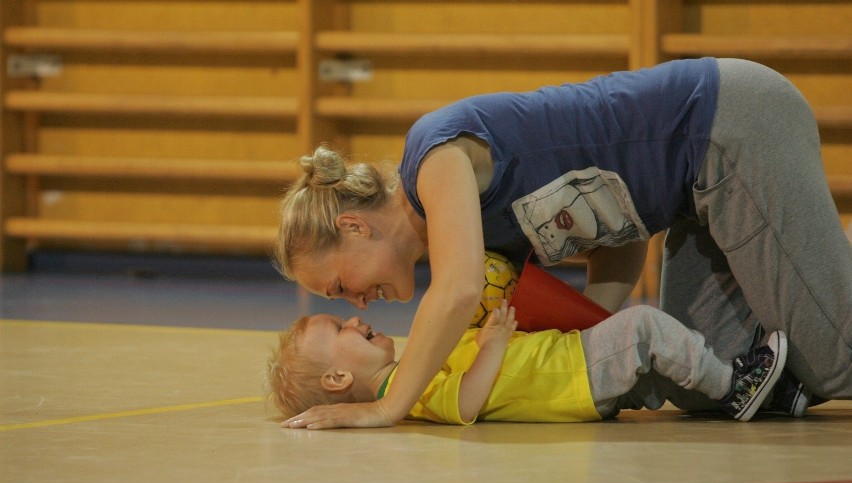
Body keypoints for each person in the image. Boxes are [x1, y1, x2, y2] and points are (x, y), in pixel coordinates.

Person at [276, 57, 851, 429]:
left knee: (836, 365)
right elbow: (619, 228)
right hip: (690, 200)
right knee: (706, 387)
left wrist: (386, 406)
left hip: (725, 124)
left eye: (337, 285)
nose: (353, 302)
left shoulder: (433, 155)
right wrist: (592, 326)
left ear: (353, 227)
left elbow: (455, 292)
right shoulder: (483, 234)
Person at [270, 302, 791, 426]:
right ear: (338, 379)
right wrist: (492, 343)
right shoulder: (407, 390)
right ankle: (734, 386)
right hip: (573, 372)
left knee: (664, 368)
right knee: (645, 328)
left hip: (569, 370)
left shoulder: (412, 371)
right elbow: (466, 403)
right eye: (341, 330)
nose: (357, 319)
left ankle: (769, 396)